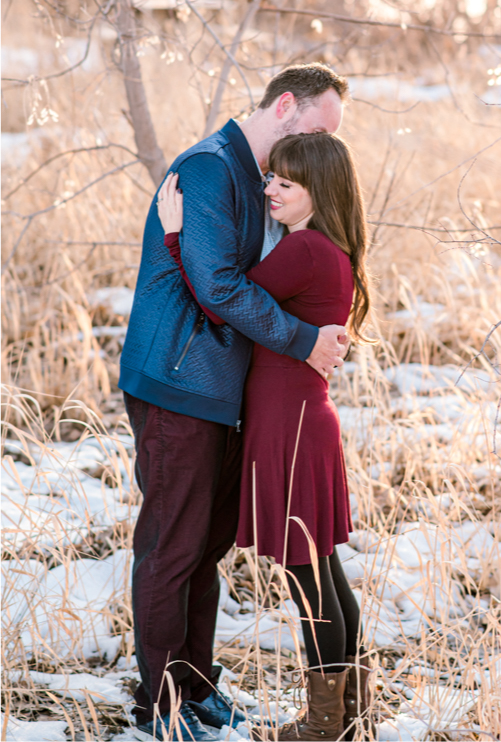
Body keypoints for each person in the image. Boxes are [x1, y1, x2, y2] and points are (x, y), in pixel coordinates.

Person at [120, 64, 350, 742]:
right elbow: (218, 286)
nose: (322, 148)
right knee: (172, 547)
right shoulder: (209, 170)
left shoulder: (260, 181)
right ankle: (161, 707)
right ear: (285, 106)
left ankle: (195, 686)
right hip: (181, 384)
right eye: (319, 130)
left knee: (205, 549)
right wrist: (305, 340)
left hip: (227, 392)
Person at [157, 130, 379, 742]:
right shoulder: (329, 248)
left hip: (290, 427)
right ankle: (350, 715)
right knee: (324, 573)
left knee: (310, 581)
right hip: (305, 420)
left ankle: (323, 727)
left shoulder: (305, 249)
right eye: (270, 178)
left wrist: (178, 238)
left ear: (319, 191)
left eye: (286, 182)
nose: (270, 190)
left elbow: (222, 300)